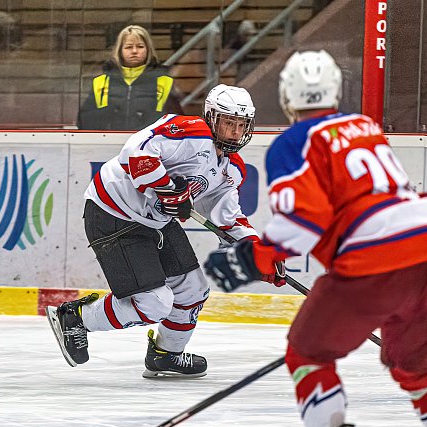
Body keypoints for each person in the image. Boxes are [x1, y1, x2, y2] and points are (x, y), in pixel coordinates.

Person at [204, 51, 427, 427]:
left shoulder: (292, 143)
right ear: (334, 89)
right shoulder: (363, 125)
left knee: (307, 355)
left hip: (372, 258)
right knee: (419, 371)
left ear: (286, 97)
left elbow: (301, 224)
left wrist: (252, 259)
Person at [48, 84, 285, 378]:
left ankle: (165, 354)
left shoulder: (232, 168)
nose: (235, 131)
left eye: (241, 125)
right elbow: (134, 152)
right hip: (114, 213)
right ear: (211, 118)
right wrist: (166, 188)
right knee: (154, 303)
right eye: (228, 122)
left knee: (193, 290)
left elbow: (229, 219)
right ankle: (75, 318)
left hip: (155, 223)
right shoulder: (191, 131)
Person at [78, 25, 183, 130]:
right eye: (128, 47)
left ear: (148, 49)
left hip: (149, 143)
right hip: (109, 142)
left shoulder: (164, 81)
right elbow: (84, 122)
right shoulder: (101, 81)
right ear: (120, 50)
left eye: (140, 46)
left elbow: (176, 123)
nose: (134, 51)